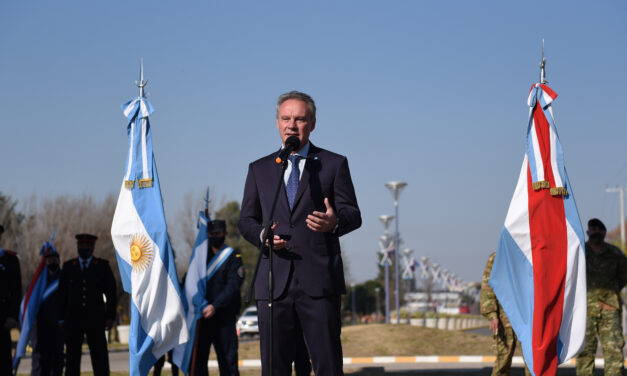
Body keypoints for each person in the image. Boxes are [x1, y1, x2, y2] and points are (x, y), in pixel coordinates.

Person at [238, 91, 362, 375]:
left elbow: (353, 214)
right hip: (273, 285)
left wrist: (335, 223)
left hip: (319, 283)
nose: (292, 125)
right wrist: (262, 235)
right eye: (285, 118)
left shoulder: (333, 164)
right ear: (277, 123)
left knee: (327, 366)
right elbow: (246, 220)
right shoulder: (259, 169)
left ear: (313, 123)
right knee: (274, 368)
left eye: (299, 119)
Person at [58, 234, 117, 376]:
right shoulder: (68, 267)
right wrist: (61, 318)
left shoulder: (102, 266)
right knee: (72, 359)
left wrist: (110, 316)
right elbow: (61, 295)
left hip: (95, 319)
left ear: (93, 248)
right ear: (77, 247)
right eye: (82, 246)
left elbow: (111, 293)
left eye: (88, 246)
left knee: (99, 359)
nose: (84, 249)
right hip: (73, 320)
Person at [192, 219, 244, 376]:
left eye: (218, 234)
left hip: (224, 318)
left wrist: (215, 306)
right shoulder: (200, 258)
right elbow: (191, 283)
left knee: (228, 362)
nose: (215, 236)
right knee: (199, 363)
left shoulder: (233, 256)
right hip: (203, 318)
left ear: (225, 234)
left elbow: (233, 286)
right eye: (212, 234)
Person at [576, 218, 627, 376]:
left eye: (599, 230)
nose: (596, 232)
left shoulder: (615, 254)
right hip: (585, 311)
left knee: (614, 354)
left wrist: (609, 292)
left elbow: (624, 277)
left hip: (610, 310)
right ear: (587, 232)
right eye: (593, 230)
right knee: (584, 354)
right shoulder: (580, 252)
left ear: (604, 233)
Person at [481, 252, 531, 376]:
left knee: (533, 363)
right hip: (505, 318)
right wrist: (492, 314)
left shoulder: (530, 254)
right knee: (502, 362)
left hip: (528, 317)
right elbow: (488, 288)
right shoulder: (497, 257)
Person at [30, 248, 64, 376]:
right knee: (39, 365)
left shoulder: (63, 278)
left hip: (58, 328)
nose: (52, 261)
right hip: (40, 329)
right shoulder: (38, 282)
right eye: (49, 259)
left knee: (57, 363)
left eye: (54, 259)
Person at [0, 224, 22, 375]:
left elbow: (16, 290)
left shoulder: (10, 260)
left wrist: (13, 316)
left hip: (3, 319)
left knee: (3, 363)